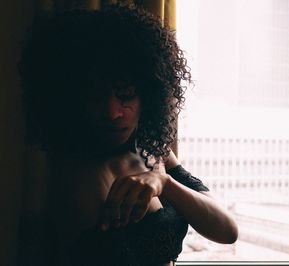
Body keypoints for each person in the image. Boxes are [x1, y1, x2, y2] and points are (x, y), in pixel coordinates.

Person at [17, 3, 238, 266]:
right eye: (96, 97)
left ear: (148, 95)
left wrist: (165, 183)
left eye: (126, 96)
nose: (113, 112)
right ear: (73, 99)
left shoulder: (152, 148)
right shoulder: (78, 179)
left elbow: (227, 230)